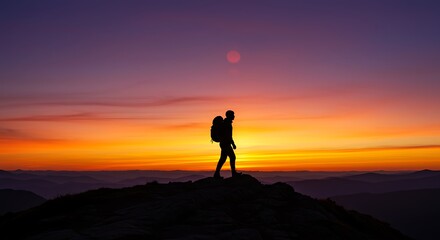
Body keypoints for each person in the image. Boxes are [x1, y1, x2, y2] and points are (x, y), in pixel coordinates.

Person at [214, 110, 241, 178]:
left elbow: (228, 135)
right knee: (232, 157)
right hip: (225, 143)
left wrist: (232, 143)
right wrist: (233, 144)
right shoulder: (227, 123)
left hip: (224, 143)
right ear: (229, 115)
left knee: (223, 159)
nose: (234, 116)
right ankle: (234, 173)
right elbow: (228, 135)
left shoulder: (226, 123)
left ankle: (216, 174)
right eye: (233, 114)